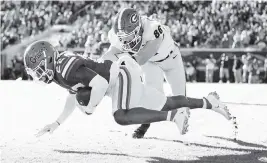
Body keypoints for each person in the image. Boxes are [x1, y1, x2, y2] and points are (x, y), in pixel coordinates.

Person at [23, 41, 232, 138]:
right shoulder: (61, 71)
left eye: (39, 69)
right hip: (118, 82)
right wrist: (56, 123)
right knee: (166, 102)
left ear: (48, 60)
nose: (39, 75)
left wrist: (91, 107)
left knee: (121, 116)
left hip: (119, 76)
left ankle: (174, 117)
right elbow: (73, 94)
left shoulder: (64, 68)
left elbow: (100, 84)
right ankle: (210, 102)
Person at [101, 8, 187, 138]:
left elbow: (141, 58)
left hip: (171, 59)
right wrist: (97, 66)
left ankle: (189, 109)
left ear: (138, 28)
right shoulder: (118, 35)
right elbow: (111, 53)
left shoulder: (152, 28)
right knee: (152, 97)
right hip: (151, 63)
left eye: (128, 35)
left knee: (181, 100)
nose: (125, 41)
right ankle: (145, 125)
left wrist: (123, 62)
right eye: (122, 37)